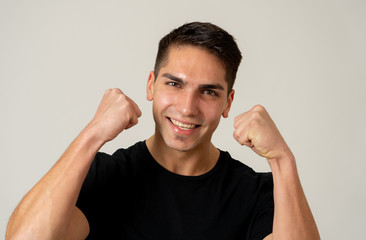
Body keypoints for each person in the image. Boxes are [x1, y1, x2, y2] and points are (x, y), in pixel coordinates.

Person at [6, 22, 320, 240]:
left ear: (228, 102)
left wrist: (282, 160)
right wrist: (93, 134)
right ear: (150, 85)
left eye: (209, 92)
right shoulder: (105, 176)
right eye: (174, 84)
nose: (187, 107)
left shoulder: (257, 192)